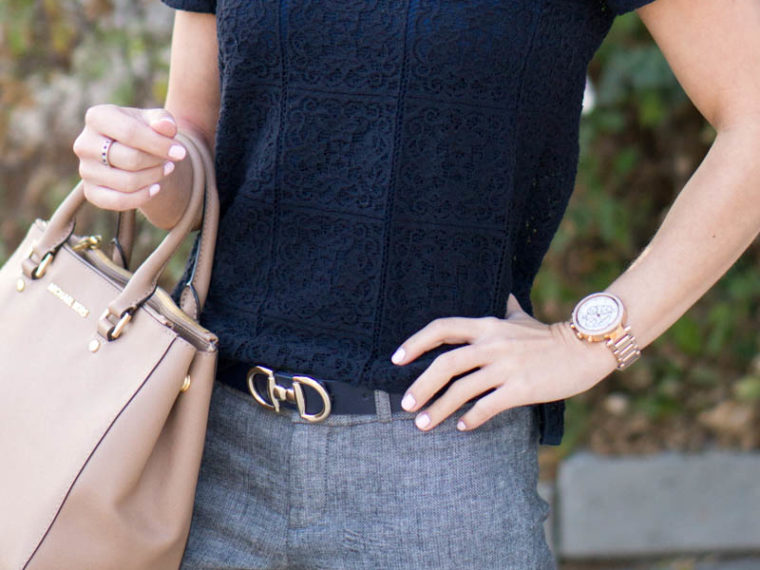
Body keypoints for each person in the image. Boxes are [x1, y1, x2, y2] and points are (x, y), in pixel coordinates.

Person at [72, 0, 760, 567]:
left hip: (437, 476)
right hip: (204, 462)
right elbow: (201, 147)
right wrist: (142, 163)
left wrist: (596, 338)